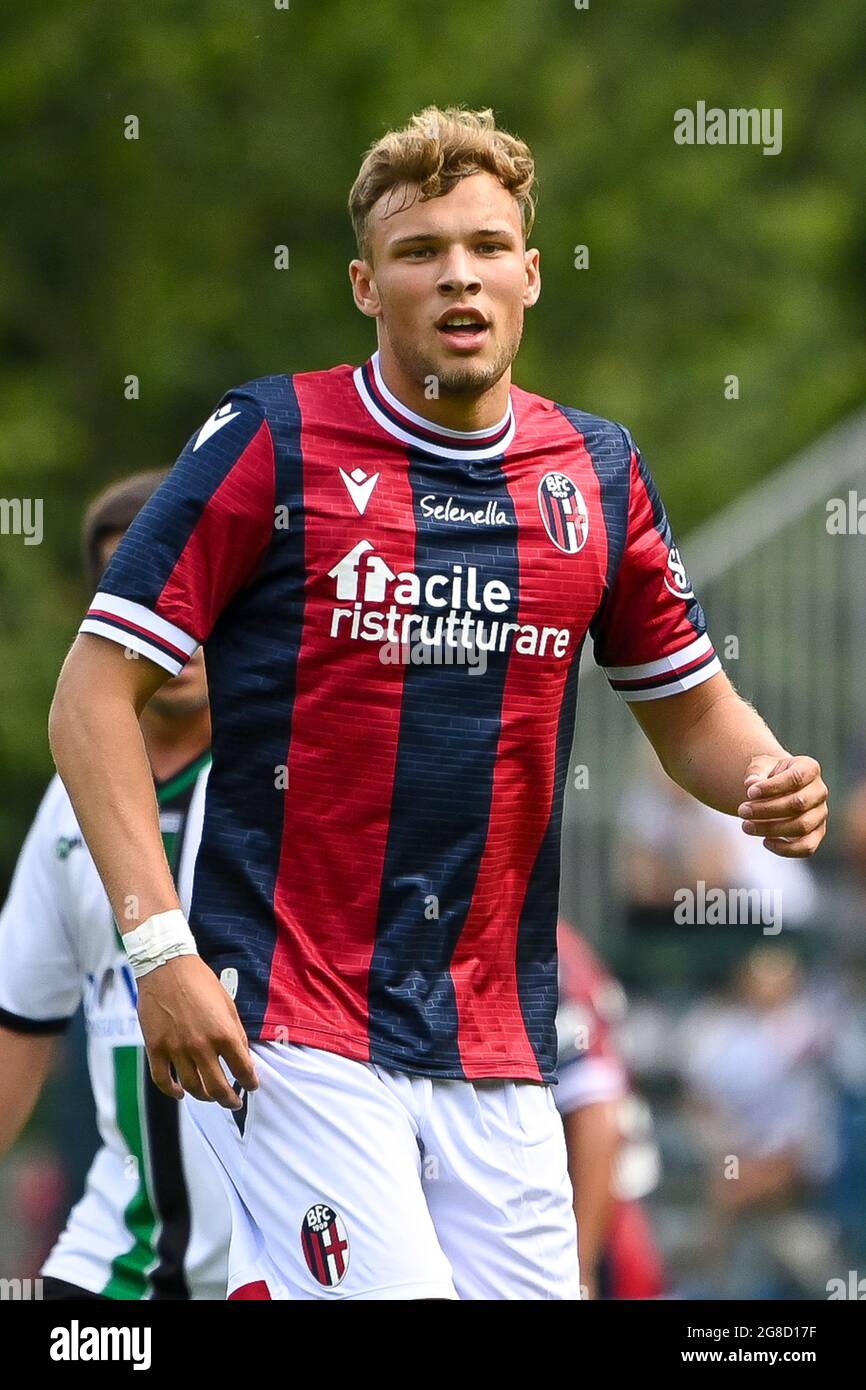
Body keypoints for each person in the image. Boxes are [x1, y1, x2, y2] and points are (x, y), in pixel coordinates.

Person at [47, 105, 829, 1301]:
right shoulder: (274, 439)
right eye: (418, 252)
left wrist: (765, 775)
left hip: (496, 1036)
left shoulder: (597, 473)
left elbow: (688, 713)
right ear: (367, 284)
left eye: (482, 246)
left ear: (527, 274)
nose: (454, 273)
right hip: (291, 1017)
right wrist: (161, 952)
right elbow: (94, 691)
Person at [0, 473, 229, 1300]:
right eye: (144, 598)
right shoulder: (69, 803)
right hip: (114, 1263)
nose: (175, 628)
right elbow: (17, 1021)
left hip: (288, 1262)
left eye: (196, 590)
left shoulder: (303, 779)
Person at [555, 923, 664, 1300]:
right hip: (583, 1218)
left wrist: (579, 1272)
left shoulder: (535, 939)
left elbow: (596, 1114)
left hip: (599, 1223)